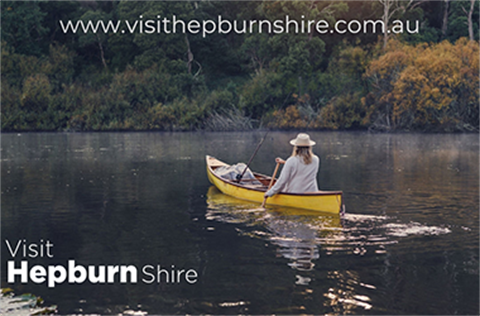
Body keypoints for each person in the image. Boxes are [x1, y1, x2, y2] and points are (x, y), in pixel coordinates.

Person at [264, 133, 319, 198]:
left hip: (295, 192)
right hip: (312, 193)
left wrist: (269, 193)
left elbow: (282, 181)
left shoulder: (291, 161)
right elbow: (303, 164)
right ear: (309, 147)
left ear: (296, 147)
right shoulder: (316, 160)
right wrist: (285, 162)